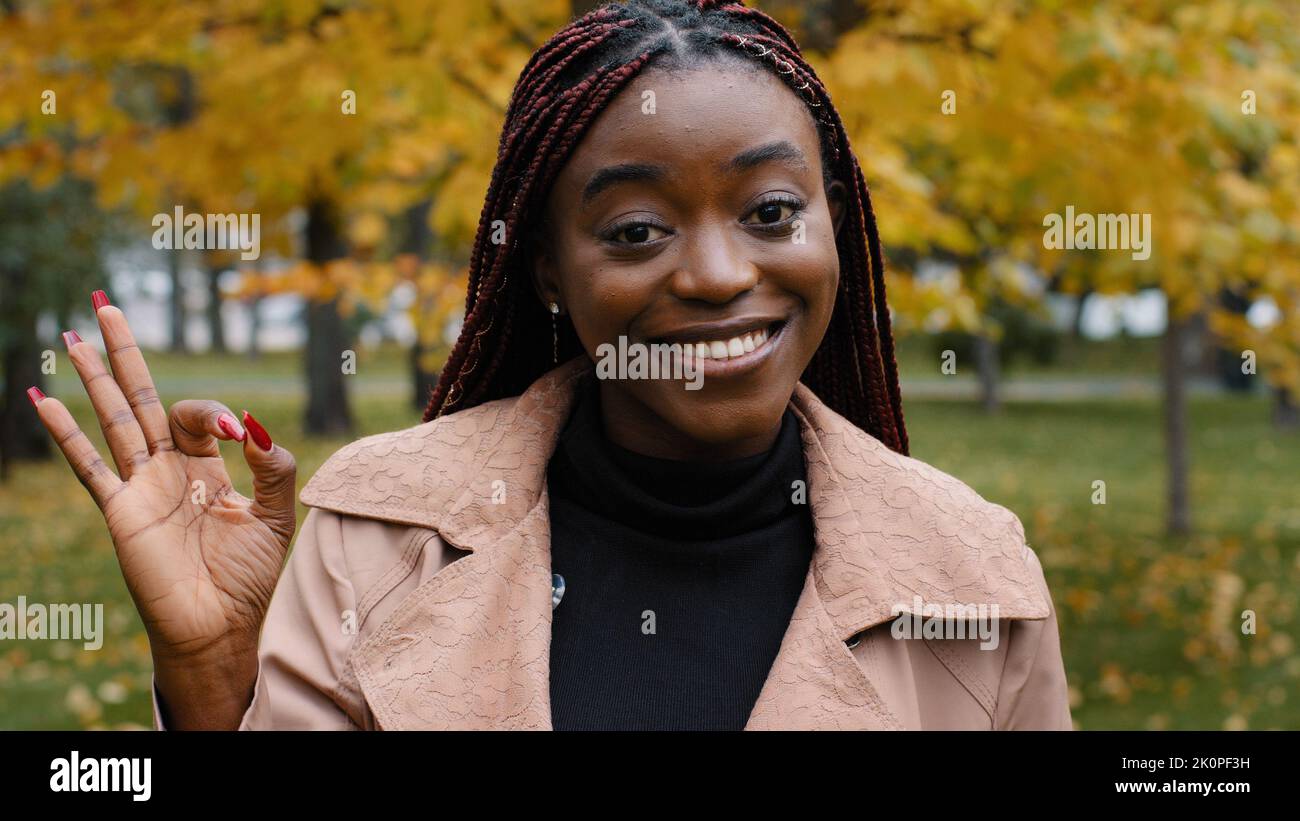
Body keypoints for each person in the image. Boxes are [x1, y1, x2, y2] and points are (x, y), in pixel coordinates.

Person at [29, 0, 1072, 730]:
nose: (716, 273)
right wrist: (213, 678)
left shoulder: (974, 576)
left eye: (769, 211)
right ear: (545, 272)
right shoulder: (381, 539)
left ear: (835, 229)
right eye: (633, 230)